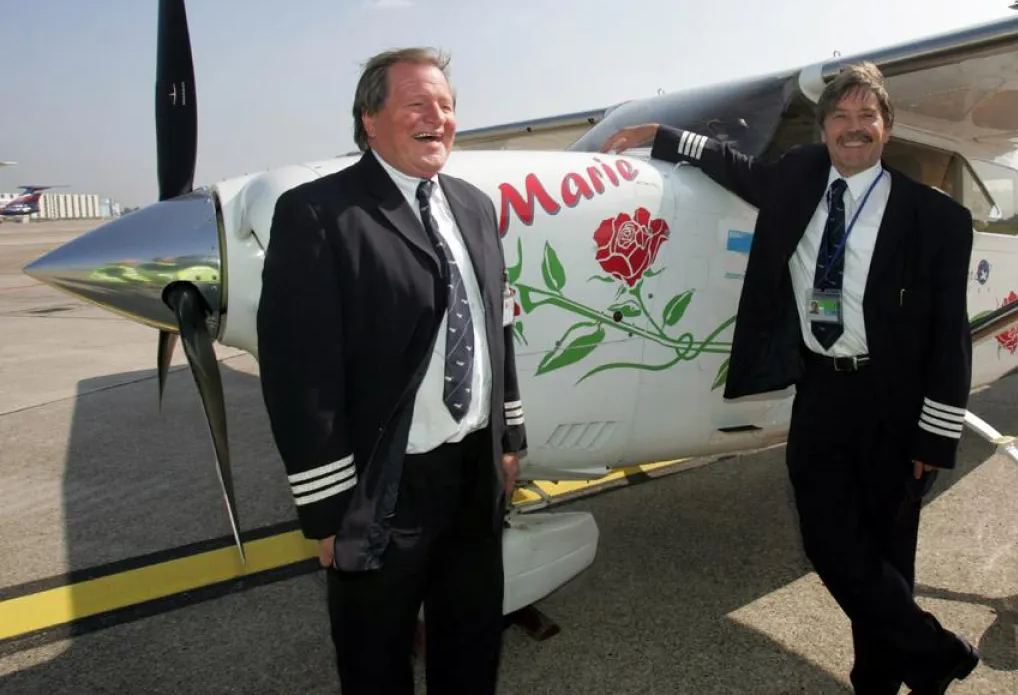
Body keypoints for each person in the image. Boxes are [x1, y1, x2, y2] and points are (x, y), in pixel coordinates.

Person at [601, 61, 979, 694]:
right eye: (840, 117)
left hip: (896, 402)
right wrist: (658, 134)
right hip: (823, 393)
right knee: (831, 546)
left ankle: (879, 681)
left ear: (887, 128)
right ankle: (936, 652)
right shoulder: (800, 177)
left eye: (867, 117)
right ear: (824, 127)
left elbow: (950, 336)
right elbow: (735, 167)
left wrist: (934, 436)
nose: (852, 129)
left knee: (887, 558)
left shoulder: (936, 220)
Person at [257, 46, 527, 694]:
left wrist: (510, 437)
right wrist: (327, 509)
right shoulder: (319, 215)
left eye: (447, 105)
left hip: (471, 479)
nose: (438, 117)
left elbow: (498, 327)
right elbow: (302, 375)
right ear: (370, 119)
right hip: (383, 487)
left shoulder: (475, 207)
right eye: (417, 104)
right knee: (375, 662)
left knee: (471, 648)